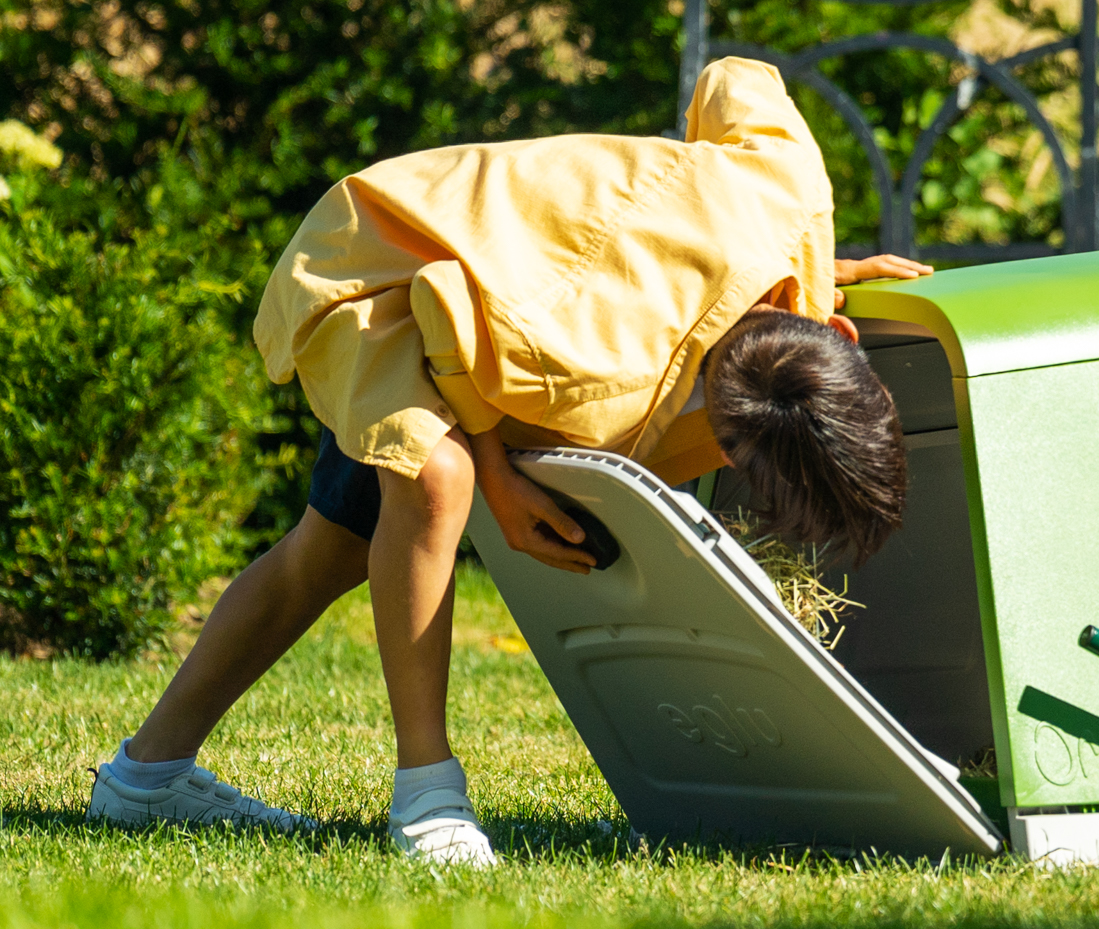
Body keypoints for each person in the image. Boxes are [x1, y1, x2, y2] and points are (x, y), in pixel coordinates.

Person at [87, 58, 929, 866]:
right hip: (385, 262)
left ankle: (143, 778)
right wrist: (496, 478)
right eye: (737, 448)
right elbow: (450, 316)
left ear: (837, 327)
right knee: (436, 477)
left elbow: (739, 78)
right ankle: (427, 796)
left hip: (494, 278)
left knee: (329, 552)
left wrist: (818, 267)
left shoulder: (794, 202)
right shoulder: (598, 361)